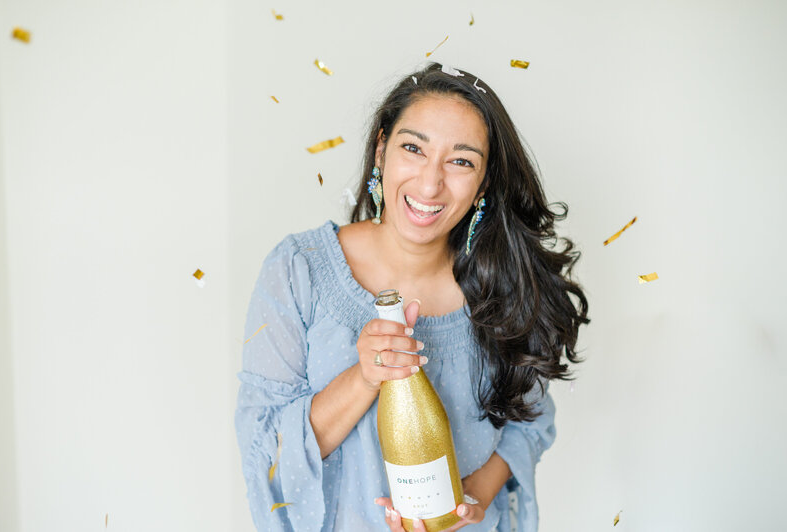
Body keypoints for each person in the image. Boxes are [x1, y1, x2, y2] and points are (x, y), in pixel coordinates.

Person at [234, 62, 589, 532]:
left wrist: (474, 499)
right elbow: (264, 450)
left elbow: (530, 423)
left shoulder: (504, 287)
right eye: (413, 149)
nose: (429, 184)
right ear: (381, 149)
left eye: (461, 161)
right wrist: (365, 377)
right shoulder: (299, 270)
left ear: (483, 182)